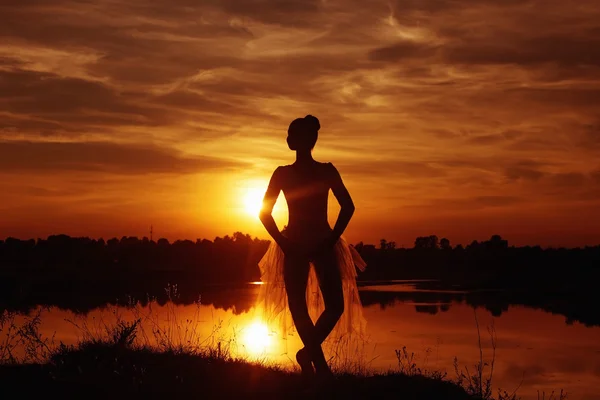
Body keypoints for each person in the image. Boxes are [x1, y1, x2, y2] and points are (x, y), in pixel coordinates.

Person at [257, 115, 366, 382]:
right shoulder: (289, 173)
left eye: (292, 135)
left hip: (313, 241)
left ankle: (309, 356)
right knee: (302, 304)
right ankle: (319, 365)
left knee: (329, 306)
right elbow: (264, 213)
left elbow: (348, 207)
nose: (289, 139)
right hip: (303, 241)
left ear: (300, 140)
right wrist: (285, 244)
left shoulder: (320, 170)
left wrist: (328, 241)